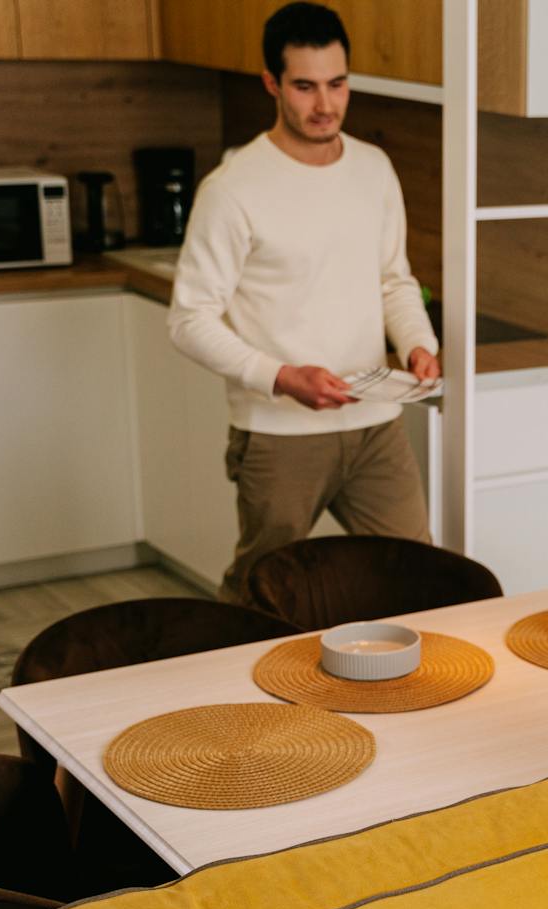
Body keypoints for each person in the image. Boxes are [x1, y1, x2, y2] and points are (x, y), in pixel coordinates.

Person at [169, 2, 441, 603]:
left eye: (338, 84)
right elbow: (188, 320)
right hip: (279, 436)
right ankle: (227, 694)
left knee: (420, 578)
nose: (325, 105)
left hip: (374, 424)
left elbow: (393, 280)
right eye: (305, 87)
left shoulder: (374, 169)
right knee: (263, 593)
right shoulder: (234, 189)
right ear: (272, 84)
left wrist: (418, 343)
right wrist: (283, 377)